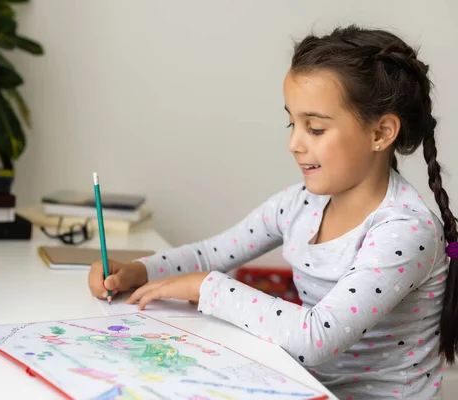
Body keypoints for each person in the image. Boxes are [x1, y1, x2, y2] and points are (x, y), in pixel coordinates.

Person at [88, 24, 457, 399]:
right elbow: (210, 253)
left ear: (380, 133)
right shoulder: (298, 205)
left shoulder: (406, 231)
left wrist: (207, 287)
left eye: (314, 128)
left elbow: (318, 336)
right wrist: (138, 271)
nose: (294, 143)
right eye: (292, 123)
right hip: (305, 387)